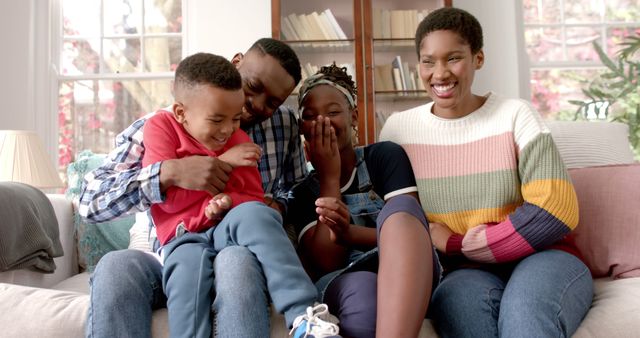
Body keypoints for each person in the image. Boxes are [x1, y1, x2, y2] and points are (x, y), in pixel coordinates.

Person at [379, 7, 593, 338]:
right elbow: (391, 219)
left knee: (525, 316)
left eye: (453, 58)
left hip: (543, 257)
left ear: (478, 58)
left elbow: (555, 211)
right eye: (428, 61)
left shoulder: (514, 115)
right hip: (464, 273)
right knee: (464, 314)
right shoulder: (398, 130)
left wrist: (455, 243)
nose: (439, 73)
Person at [81, 38, 309, 338]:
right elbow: (90, 201)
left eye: (272, 102)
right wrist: (166, 173)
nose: (256, 104)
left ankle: (305, 317)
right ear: (237, 62)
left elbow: (297, 187)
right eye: (253, 86)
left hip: (240, 251)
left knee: (235, 262)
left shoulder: (283, 125)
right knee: (115, 266)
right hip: (172, 254)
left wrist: (276, 206)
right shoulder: (159, 126)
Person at [139, 52, 339, 338]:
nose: (228, 130)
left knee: (259, 215)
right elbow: (165, 198)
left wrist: (228, 201)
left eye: (234, 119)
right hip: (183, 236)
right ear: (182, 113)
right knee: (186, 279)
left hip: (224, 226)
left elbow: (253, 197)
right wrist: (223, 164)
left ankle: (304, 317)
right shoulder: (161, 128)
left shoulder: (238, 137)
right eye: (217, 120)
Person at [286, 63, 440, 338]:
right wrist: (329, 178)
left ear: (354, 116)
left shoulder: (384, 157)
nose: (323, 122)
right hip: (344, 278)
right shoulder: (301, 192)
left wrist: (349, 234)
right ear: (302, 128)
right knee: (363, 287)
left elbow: (413, 235)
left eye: (333, 112)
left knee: (402, 209)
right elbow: (327, 263)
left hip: (407, 270)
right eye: (310, 116)